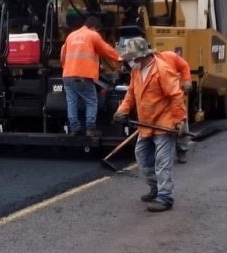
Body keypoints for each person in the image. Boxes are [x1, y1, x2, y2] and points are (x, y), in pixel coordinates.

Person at [113, 37, 186, 213]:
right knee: (142, 157)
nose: (129, 62)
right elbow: (131, 94)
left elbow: (175, 95)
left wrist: (179, 120)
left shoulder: (162, 69)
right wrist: (122, 110)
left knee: (162, 161)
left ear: (140, 56)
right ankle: (155, 188)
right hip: (146, 123)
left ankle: (165, 197)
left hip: (163, 122)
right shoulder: (136, 72)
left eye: (131, 58)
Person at [60, 16, 120, 138]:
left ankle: (74, 129)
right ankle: (90, 128)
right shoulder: (93, 35)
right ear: (94, 28)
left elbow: (62, 55)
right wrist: (121, 58)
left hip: (67, 75)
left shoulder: (71, 35)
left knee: (72, 102)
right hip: (83, 75)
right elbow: (106, 50)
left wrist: (67, 68)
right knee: (92, 101)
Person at [156, 47, 192, 163]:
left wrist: (187, 80)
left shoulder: (170, 56)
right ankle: (162, 152)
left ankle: (182, 150)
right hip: (161, 97)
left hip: (175, 93)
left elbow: (184, 66)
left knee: (181, 120)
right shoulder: (150, 67)